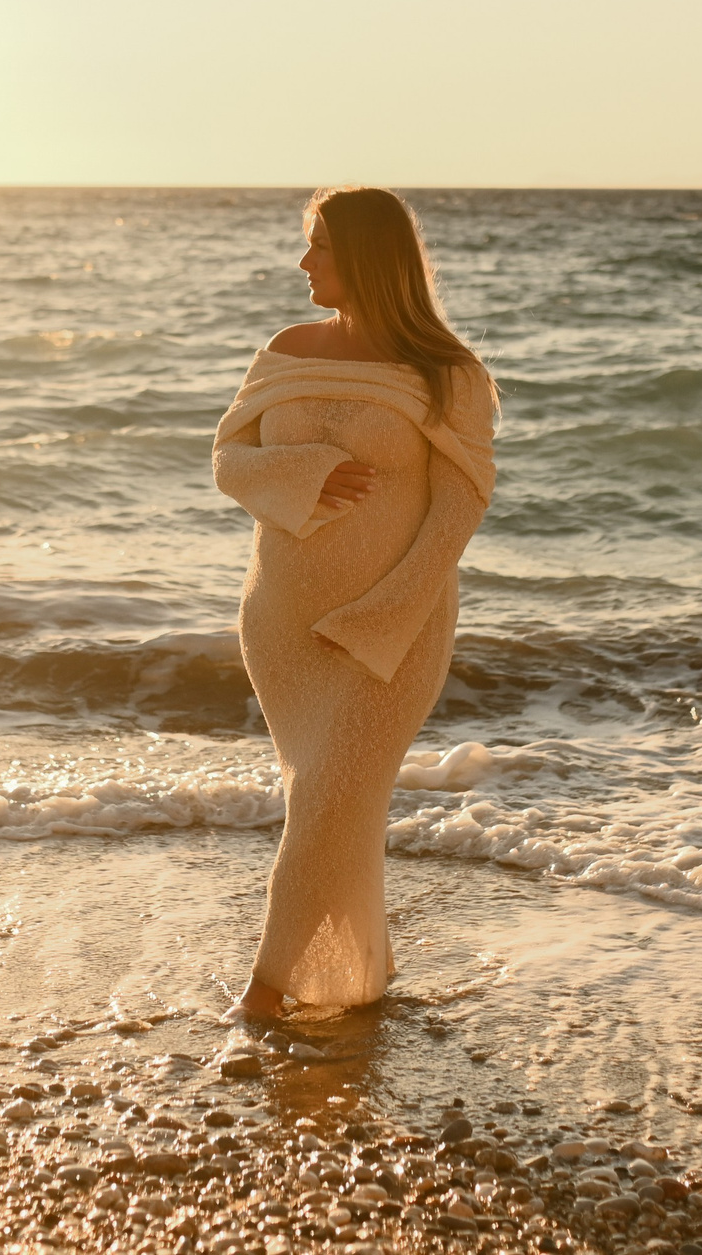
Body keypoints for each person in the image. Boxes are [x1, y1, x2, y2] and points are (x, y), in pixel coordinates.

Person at [211, 186, 497, 1017]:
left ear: (368, 256)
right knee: (331, 804)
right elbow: (228, 459)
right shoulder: (286, 349)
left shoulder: (449, 374)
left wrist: (381, 618)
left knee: (328, 798)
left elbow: (457, 513)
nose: (304, 262)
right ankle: (360, 975)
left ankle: (263, 994)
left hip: (393, 629)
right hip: (283, 625)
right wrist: (303, 471)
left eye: (321, 246)